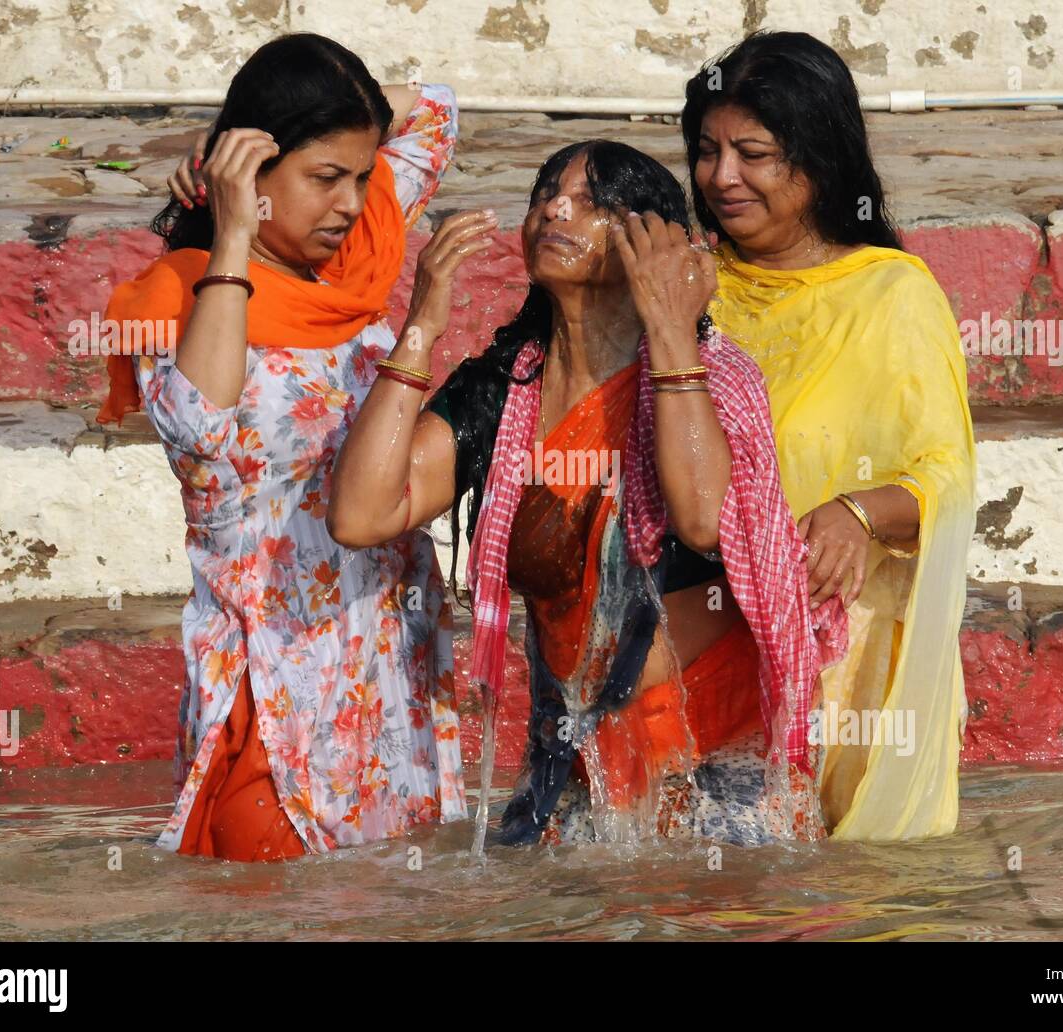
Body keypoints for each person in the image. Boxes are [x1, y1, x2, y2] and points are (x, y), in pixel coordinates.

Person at [326, 140, 846, 847]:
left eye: (594, 201)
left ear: (653, 243)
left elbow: (701, 520)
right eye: (545, 194)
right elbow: (361, 515)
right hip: (570, 779)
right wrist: (420, 326)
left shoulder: (714, 377)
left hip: (716, 775)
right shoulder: (500, 393)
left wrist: (668, 324)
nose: (555, 209)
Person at [95, 33, 466, 860]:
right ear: (251, 178)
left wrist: (329, 129)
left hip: (381, 659)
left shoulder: (353, 260)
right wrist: (231, 235)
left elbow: (436, 105)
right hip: (271, 683)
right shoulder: (179, 294)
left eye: (363, 175)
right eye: (324, 177)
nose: (349, 201)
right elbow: (198, 432)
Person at [682, 30, 978, 839]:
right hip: (707, 651)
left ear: (816, 158)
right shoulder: (690, 289)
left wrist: (858, 512)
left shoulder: (891, 295)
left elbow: (946, 478)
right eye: (708, 151)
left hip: (848, 669)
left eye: (754, 153)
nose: (722, 177)